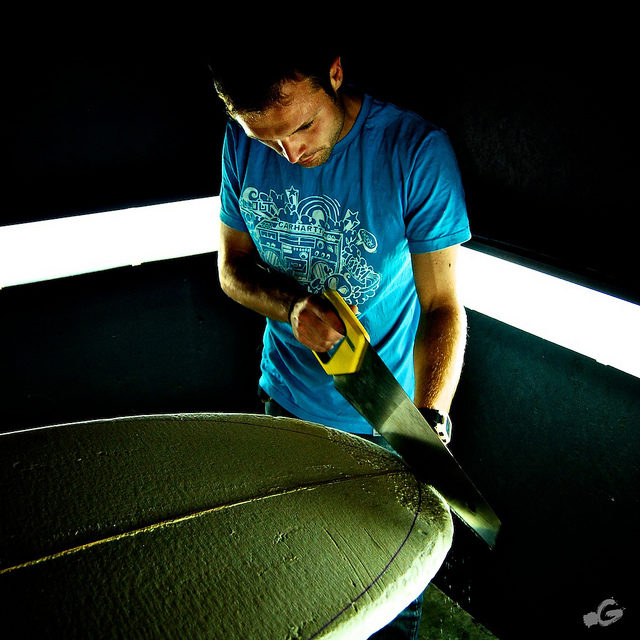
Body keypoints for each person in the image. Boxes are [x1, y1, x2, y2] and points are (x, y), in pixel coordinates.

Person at [209, 46, 470, 640]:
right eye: (269, 140)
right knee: (293, 589)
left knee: (386, 602)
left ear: (334, 73)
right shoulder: (241, 144)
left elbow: (442, 306)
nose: (291, 153)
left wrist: (430, 420)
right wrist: (293, 307)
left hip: (390, 427)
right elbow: (231, 269)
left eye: (304, 126)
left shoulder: (414, 151)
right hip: (283, 408)